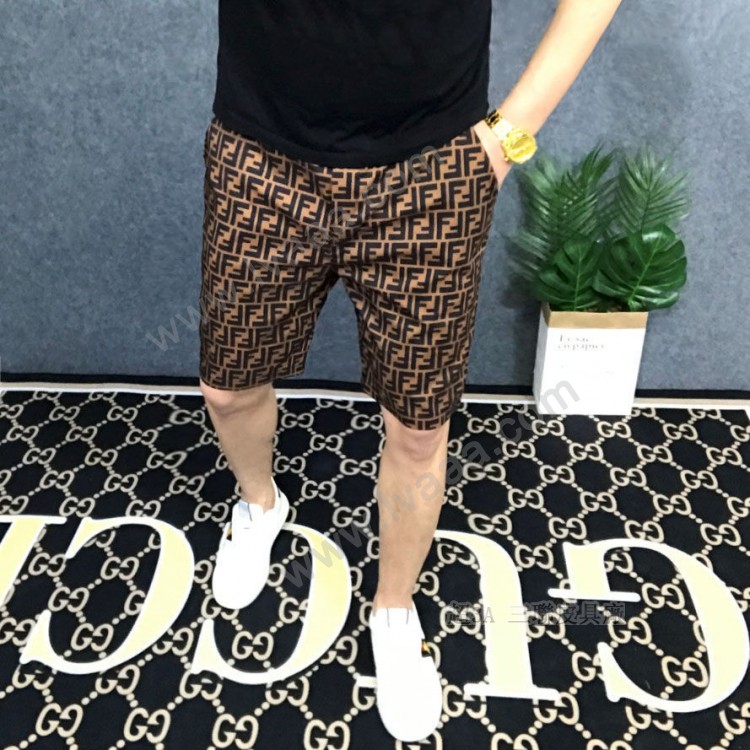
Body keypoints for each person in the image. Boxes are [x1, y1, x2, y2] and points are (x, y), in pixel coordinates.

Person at [198, 0, 624, 741]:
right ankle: (260, 505)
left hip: (432, 167)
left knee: (420, 429)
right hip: (258, 151)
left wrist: (508, 136)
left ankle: (393, 608)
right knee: (227, 387)